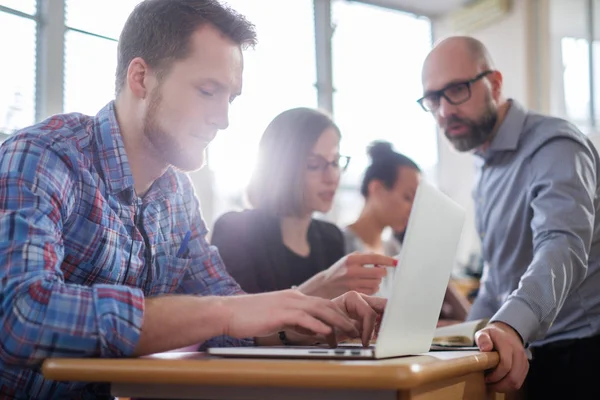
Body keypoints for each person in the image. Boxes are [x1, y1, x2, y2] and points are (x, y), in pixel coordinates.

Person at [0, 1, 393, 398]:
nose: (223, 119)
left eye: (230, 99)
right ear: (141, 78)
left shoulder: (177, 197)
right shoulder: (44, 157)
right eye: (208, 91)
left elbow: (231, 322)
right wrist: (224, 314)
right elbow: (22, 316)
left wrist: (313, 319)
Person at [419, 35, 600, 398]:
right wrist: (461, 334)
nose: (444, 110)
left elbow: (561, 245)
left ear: (495, 84)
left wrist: (510, 324)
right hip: (531, 354)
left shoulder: (554, 146)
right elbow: (497, 280)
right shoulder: (486, 166)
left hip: (581, 354)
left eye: (456, 90)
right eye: (433, 98)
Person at [211, 108, 393, 298]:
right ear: (280, 168)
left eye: (335, 162)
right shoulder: (236, 231)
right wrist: (321, 288)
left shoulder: (331, 237)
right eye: (314, 165)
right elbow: (238, 322)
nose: (331, 177)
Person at [344, 141, 470, 322]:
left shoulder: (393, 249)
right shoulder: (339, 242)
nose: (413, 209)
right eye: (408, 197)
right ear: (377, 189)